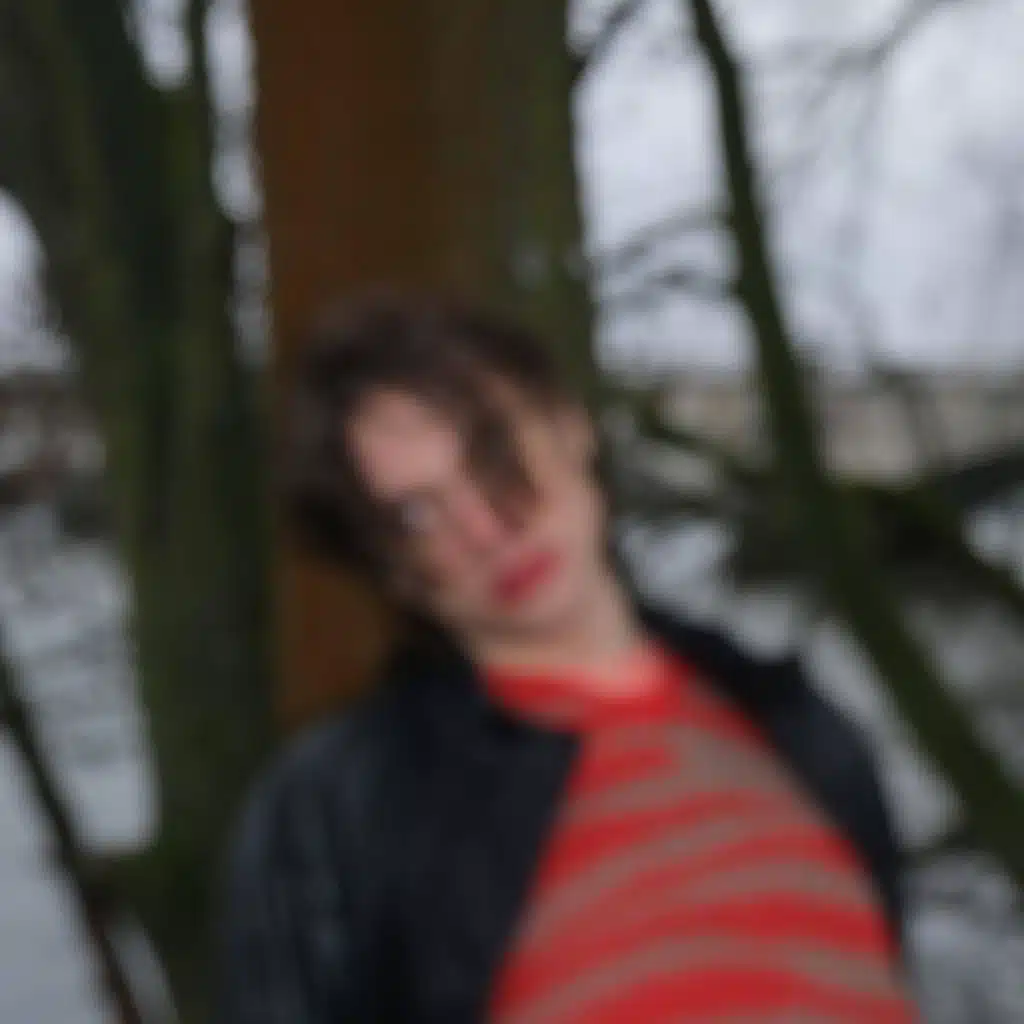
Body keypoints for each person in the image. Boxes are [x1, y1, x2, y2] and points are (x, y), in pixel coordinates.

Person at [218, 291, 915, 1022]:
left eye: (491, 449)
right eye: (417, 514)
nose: (484, 527)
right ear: (391, 571)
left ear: (568, 421)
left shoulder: (803, 733)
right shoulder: (341, 811)